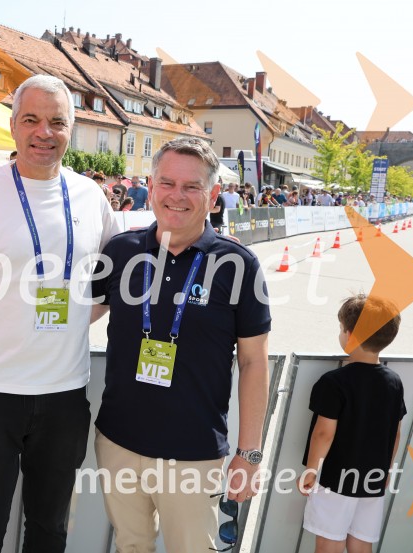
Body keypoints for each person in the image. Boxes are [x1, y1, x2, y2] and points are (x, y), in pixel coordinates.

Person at [0, 74, 118, 553]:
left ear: (71, 129)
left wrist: (72, 323)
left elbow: (117, 278)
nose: (43, 132)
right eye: (31, 119)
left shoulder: (91, 196)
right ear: (12, 126)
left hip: (64, 396)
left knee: (50, 530)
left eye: (57, 122)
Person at [91, 137, 271, 552]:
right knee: (130, 546)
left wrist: (249, 454)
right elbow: (76, 317)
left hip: (193, 453)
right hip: (118, 442)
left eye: (192, 187)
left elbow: (254, 363)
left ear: (213, 195)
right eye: (168, 183)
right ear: (151, 187)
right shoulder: (120, 251)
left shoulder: (238, 265)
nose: (177, 195)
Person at [299, 294, 405, 553]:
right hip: (373, 479)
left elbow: (323, 434)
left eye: (341, 328)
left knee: (329, 541)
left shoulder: (334, 382)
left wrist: (311, 470)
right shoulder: (394, 382)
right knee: (361, 541)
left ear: (350, 335)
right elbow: (395, 433)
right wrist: (386, 470)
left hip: (336, 478)